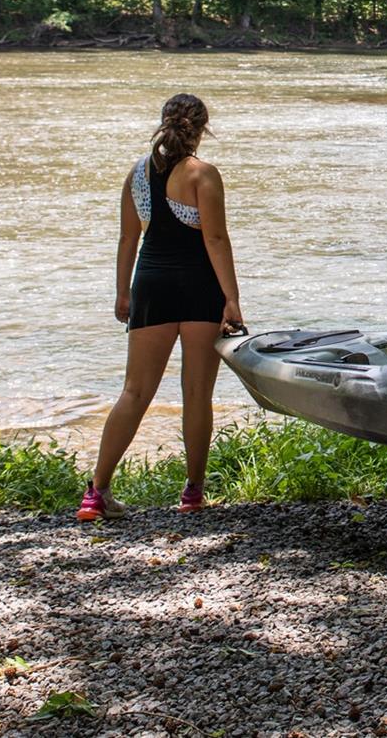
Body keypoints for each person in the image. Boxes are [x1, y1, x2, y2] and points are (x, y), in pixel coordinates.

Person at [79, 93, 245, 521]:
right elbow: (215, 239)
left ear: (164, 122)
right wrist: (232, 299)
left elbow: (128, 239)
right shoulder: (203, 174)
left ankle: (96, 494)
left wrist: (122, 293)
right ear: (202, 129)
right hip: (199, 289)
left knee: (134, 392)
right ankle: (192, 493)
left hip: (151, 286)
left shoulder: (137, 174)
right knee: (197, 393)